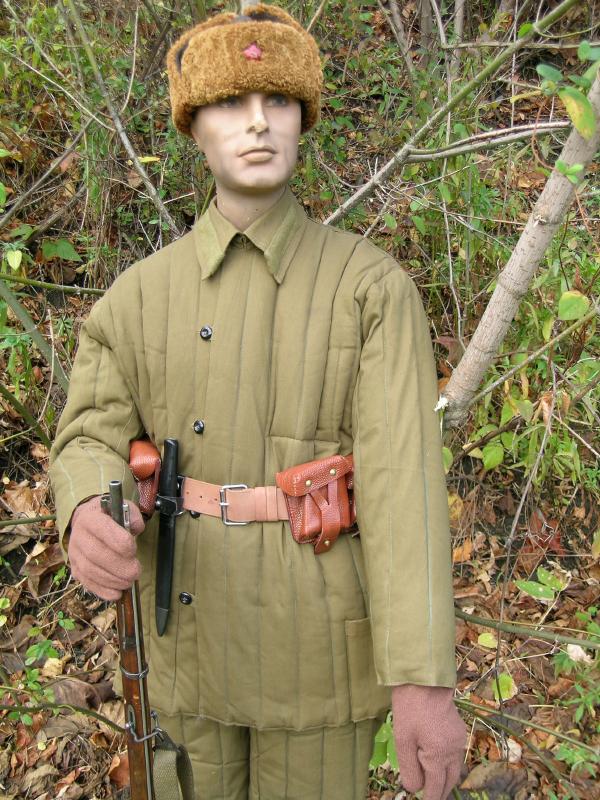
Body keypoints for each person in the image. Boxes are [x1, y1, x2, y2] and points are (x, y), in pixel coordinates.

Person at [50, 4, 466, 799]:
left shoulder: (370, 290)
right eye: (229, 104)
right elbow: (88, 437)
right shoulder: (137, 298)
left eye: (277, 101)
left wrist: (422, 681)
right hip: (184, 646)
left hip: (320, 662)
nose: (257, 123)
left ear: (303, 119)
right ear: (193, 128)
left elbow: (403, 491)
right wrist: (85, 508)